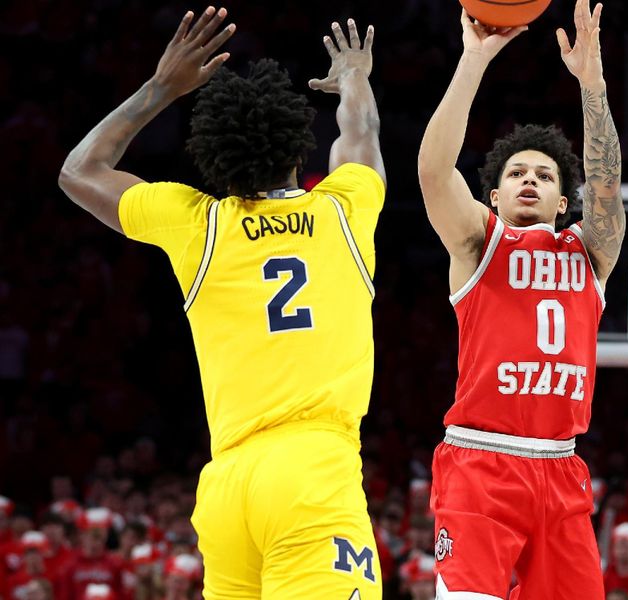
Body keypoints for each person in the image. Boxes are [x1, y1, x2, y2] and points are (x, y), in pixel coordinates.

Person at [58, 7, 386, 599]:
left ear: (215, 157)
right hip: (312, 472)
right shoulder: (344, 208)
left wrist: (161, 87)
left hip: (228, 484)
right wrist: (355, 78)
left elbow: (81, 171)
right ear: (297, 148)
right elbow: (360, 134)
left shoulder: (199, 224)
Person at [417, 0, 624, 597]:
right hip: (481, 462)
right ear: (496, 195)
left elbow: (606, 182)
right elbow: (434, 172)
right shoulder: (479, 241)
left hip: (562, 467)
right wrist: (473, 61)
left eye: (544, 175)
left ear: (564, 201)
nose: (528, 179)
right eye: (514, 173)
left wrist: (593, 84)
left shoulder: (591, 253)